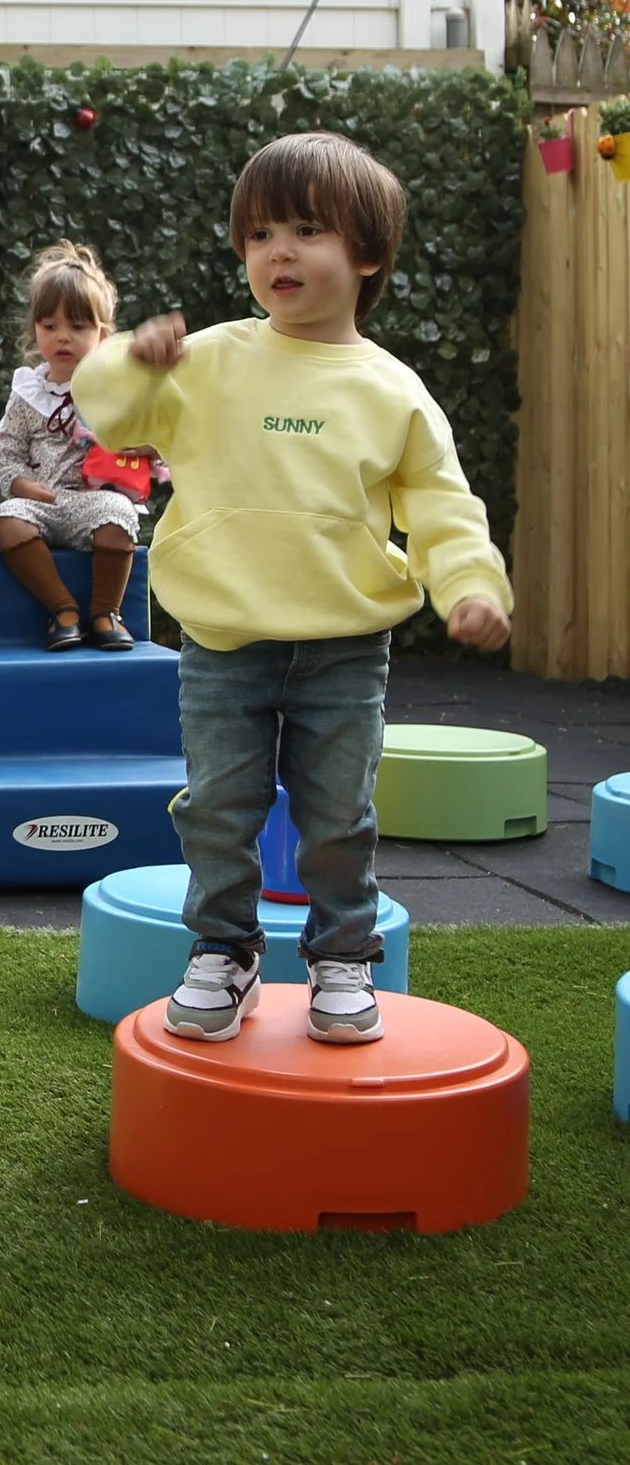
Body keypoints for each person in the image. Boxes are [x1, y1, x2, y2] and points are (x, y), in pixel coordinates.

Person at [75, 132, 513, 1046]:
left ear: (367, 254)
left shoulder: (393, 389)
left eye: (307, 228)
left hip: (345, 648)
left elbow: (441, 506)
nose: (279, 249)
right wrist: (132, 359)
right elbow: (106, 407)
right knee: (216, 808)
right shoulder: (207, 360)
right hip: (225, 643)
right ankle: (222, 951)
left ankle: (343, 956)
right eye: (262, 232)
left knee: (337, 814)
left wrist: (469, 584)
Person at [0, 241, 149, 650]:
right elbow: (4, 455)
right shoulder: (27, 392)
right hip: (43, 503)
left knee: (120, 512)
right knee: (7, 519)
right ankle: (63, 610)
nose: (63, 337)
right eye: (50, 326)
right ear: (35, 330)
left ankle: (105, 613)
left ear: (102, 334)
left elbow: (155, 437)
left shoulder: (116, 388)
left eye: (78, 327)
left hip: (93, 502)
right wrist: (21, 485)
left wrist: (143, 446)